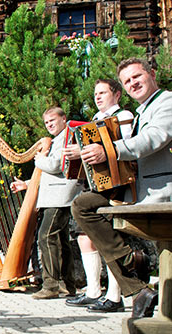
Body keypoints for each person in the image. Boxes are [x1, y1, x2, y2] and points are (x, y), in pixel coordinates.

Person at [72, 58, 172, 319]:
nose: (133, 83)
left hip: (161, 191)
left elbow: (154, 139)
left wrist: (109, 151)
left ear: (152, 74)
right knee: (84, 205)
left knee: (84, 206)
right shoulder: (141, 111)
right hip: (138, 188)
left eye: (137, 77)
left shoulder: (167, 102)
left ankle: (134, 280)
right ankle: (132, 269)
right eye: (128, 81)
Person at [63, 79, 133, 312]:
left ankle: (115, 296)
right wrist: (77, 157)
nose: (98, 97)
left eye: (103, 92)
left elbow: (126, 148)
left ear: (117, 94)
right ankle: (94, 291)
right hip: (94, 184)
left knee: (107, 237)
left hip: (117, 186)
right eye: (95, 93)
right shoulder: (93, 120)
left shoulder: (123, 117)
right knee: (85, 237)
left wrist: (81, 153)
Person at [10, 107, 83, 300]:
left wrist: (39, 160)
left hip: (61, 196)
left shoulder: (68, 135)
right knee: (61, 241)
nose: (49, 125)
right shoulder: (57, 140)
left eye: (52, 120)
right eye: (46, 122)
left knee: (46, 236)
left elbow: (56, 165)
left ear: (63, 118)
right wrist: (26, 184)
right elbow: (49, 174)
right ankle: (68, 285)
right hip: (55, 194)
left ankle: (51, 285)